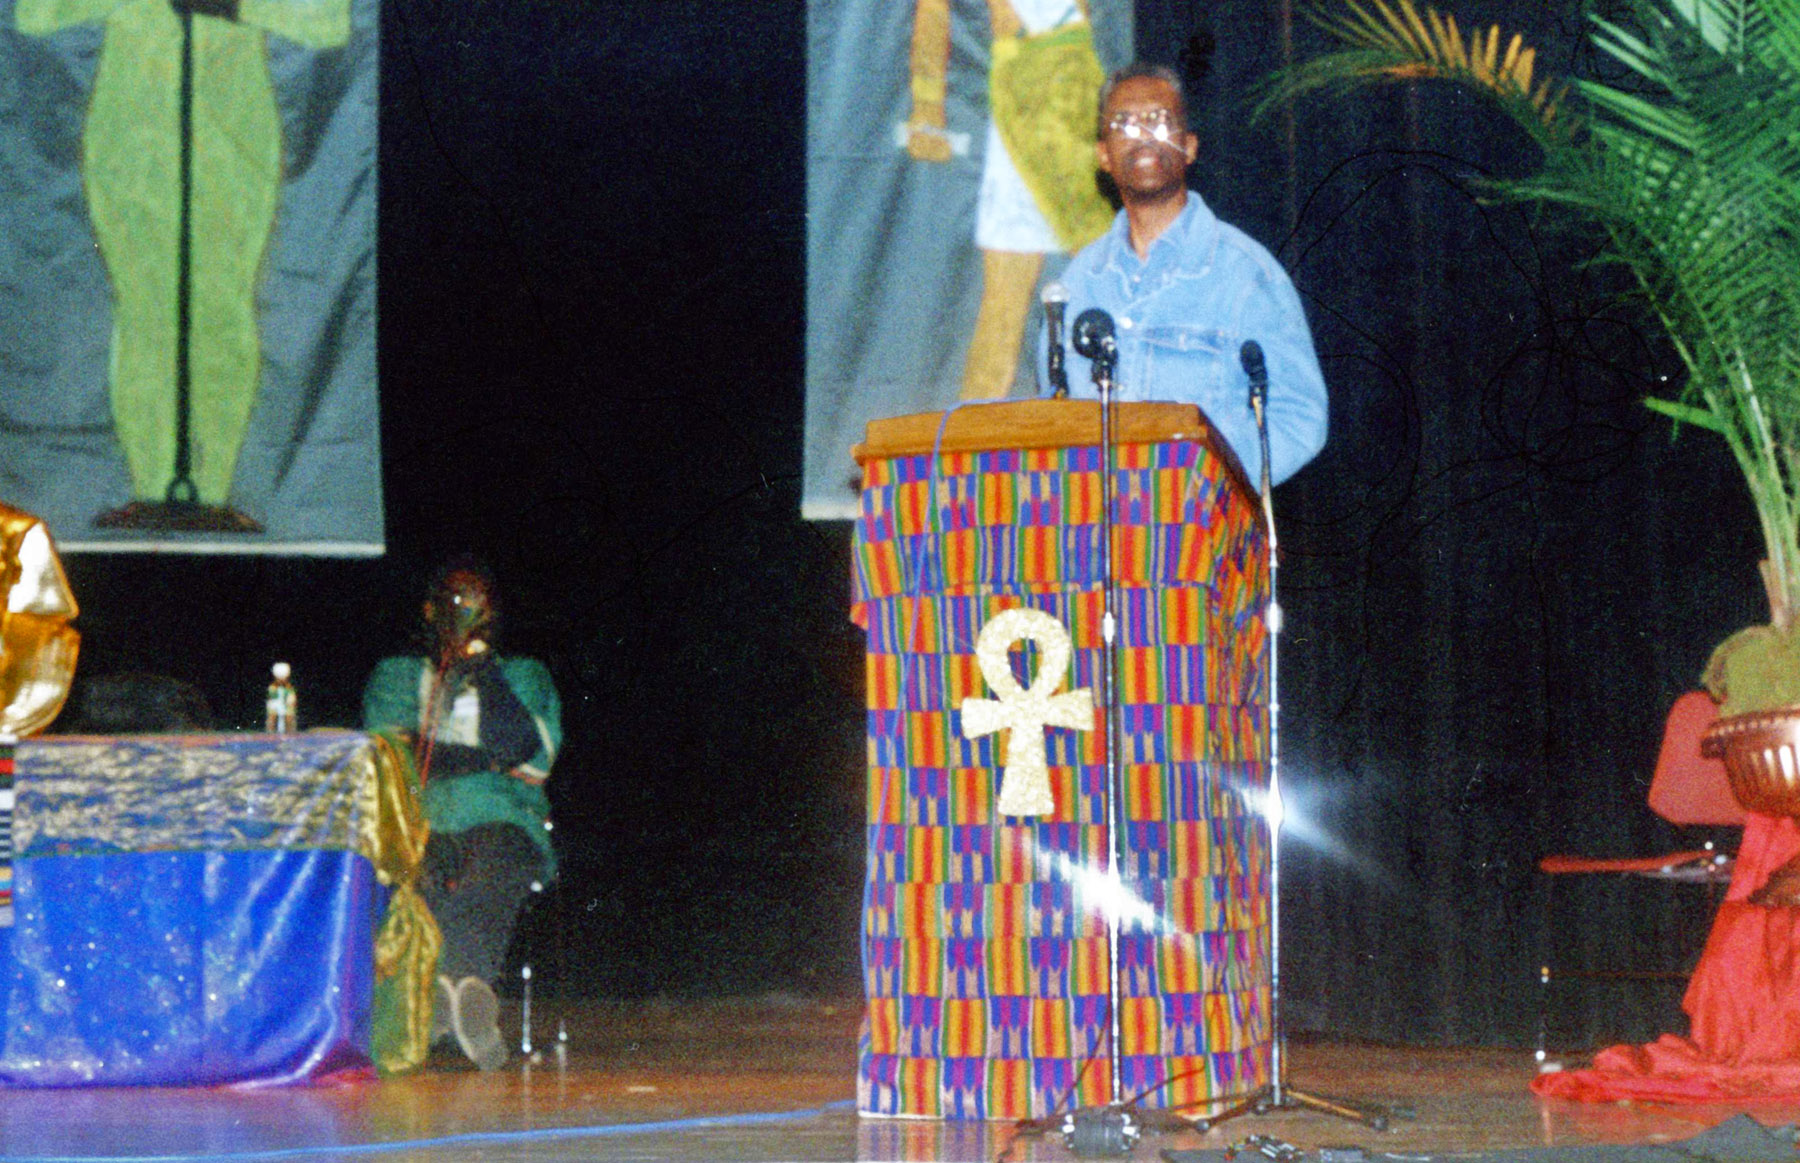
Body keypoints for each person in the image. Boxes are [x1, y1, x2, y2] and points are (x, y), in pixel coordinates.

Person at [1045, 63, 1328, 487]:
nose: (1144, 134)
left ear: (1189, 146)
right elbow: (1051, 417)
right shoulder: (1076, 286)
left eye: (1160, 120)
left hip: (1199, 520)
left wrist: (1204, 483)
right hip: (1094, 522)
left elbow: (1300, 416)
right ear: (1103, 155)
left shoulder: (1246, 275)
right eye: (1124, 123)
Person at [362, 560, 560, 1071]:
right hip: (418, 822)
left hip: (502, 817)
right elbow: (393, 756)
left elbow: (531, 761)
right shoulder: (397, 675)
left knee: (491, 869)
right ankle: (467, 1001)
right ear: (430, 610)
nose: (468, 611)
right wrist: (488, 760)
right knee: (418, 877)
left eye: (480, 601)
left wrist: (485, 676)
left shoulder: (522, 676)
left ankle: (440, 1004)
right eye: (456, 600)